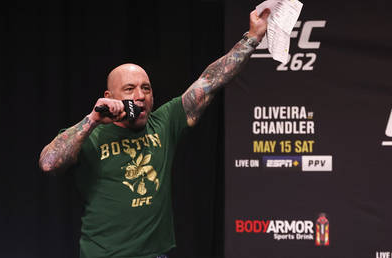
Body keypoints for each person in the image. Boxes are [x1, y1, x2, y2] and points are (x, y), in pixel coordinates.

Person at [39, 9, 270, 258]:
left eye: (146, 88)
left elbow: (211, 80)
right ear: (110, 97)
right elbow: (49, 163)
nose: (140, 95)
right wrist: (92, 120)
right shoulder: (90, 136)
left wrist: (252, 37)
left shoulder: (164, 122)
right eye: (129, 89)